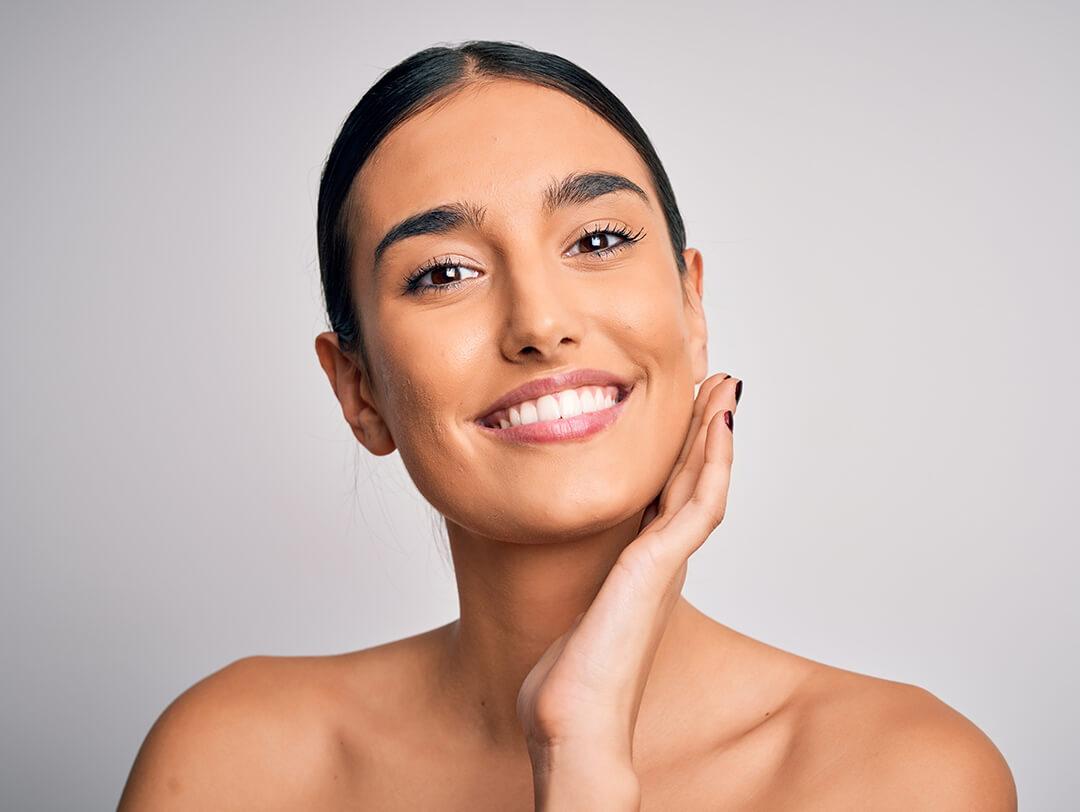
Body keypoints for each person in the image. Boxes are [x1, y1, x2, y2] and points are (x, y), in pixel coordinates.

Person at [118, 40, 1016, 810]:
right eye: (444, 273)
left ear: (692, 306)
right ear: (358, 388)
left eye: (597, 241)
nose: (541, 324)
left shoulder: (902, 775)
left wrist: (584, 744)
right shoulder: (235, 763)